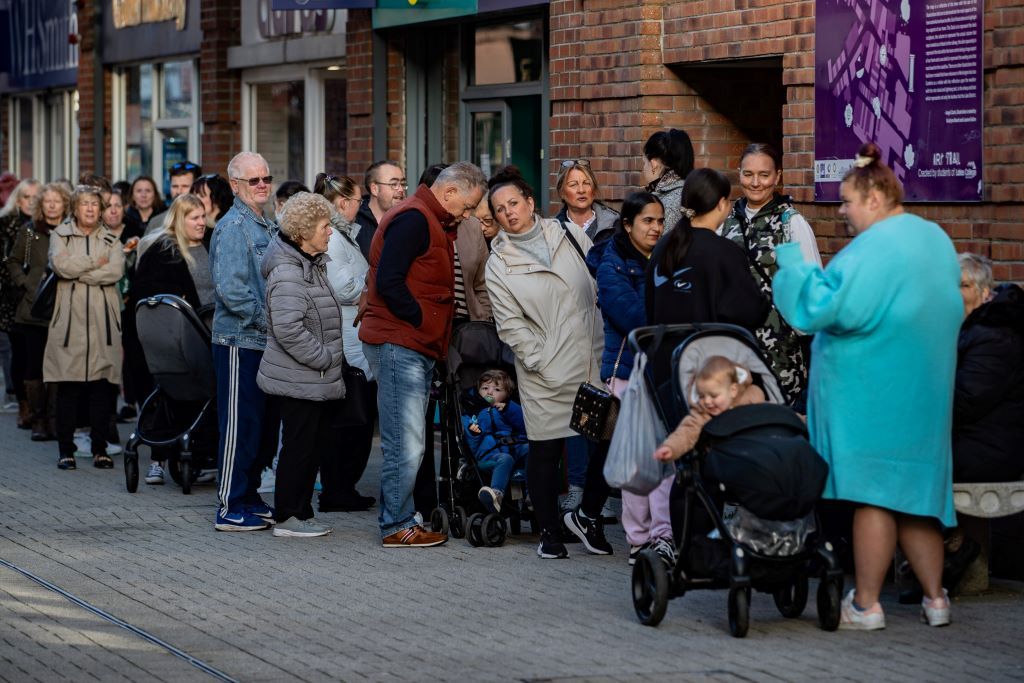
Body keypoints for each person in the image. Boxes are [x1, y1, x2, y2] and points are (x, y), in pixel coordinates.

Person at [772, 142, 961, 630]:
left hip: (874, 396)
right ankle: (937, 600)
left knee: (874, 498)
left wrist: (792, 264)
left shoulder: (874, 247)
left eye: (847, 201)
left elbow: (821, 309)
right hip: (925, 394)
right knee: (917, 500)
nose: (842, 211)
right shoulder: (934, 238)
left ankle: (867, 604)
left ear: (874, 198)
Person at [484, 166, 610, 560]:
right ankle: (550, 532)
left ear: (531, 202)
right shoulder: (499, 262)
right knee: (546, 451)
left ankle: (586, 514)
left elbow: (599, 279)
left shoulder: (566, 234)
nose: (509, 213)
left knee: (607, 442)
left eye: (514, 204)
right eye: (500, 209)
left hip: (592, 361)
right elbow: (509, 325)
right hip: (547, 372)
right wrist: (540, 360)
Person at [359, 161, 487, 548]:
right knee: (406, 440)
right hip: (402, 341)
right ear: (448, 193)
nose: (467, 216)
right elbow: (390, 280)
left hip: (409, 340)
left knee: (409, 438)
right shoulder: (415, 219)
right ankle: (396, 524)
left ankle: (402, 515)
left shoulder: (428, 219)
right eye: (467, 207)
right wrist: (418, 321)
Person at [585, 191, 671, 565]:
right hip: (627, 372)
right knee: (638, 460)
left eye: (660, 220)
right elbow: (634, 317)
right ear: (628, 224)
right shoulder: (612, 263)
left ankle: (663, 536)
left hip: (664, 369)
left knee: (665, 458)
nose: (655, 228)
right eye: (647, 221)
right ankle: (638, 540)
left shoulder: (667, 257)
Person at [256, 192, 344, 538]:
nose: (330, 233)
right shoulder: (289, 271)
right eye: (324, 226)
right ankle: (289, 516)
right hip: (301, 377)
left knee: (308, 448)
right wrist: (324, 358)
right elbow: (288, 329)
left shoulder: (310, 263)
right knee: (299, 447)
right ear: (304, 232)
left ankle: (301, 512)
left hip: (311, 377)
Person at [720, 143, 822, 406]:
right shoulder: (725, 220)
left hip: (781, 352)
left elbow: (811, 292)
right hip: (733, 348)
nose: (755, 182)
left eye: (764, 175)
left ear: (778, 176)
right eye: (748, 174)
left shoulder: (791, 223)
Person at [209, 151, 279, 532]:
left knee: (260, 426)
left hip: (264, 342)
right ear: (235, 185)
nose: (262, 185)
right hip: (239, 341)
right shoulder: (234, 226)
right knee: (239, 424)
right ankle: (229, 504)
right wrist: (272, 321)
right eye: (253, 180)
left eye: (266, 178)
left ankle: (249, 495)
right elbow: (231, 291)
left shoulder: (265, 224)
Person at [132, 194, 216, 486]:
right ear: (180, 220)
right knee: (171, 392)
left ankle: (204, 454)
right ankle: (159, 458)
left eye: (203, 216)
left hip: (212, 330)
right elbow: (148, 293)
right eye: (194, 218)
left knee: (208, 393)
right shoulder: (162, 251)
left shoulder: (212, 244)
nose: (201, 223)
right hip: (178, 335)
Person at [43, 185, 125, 470]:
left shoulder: (111, 238)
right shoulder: (60, 235)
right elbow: (61, 266)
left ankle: (100, 449)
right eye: (84, 204)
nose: (90, 209)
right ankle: (66, 450)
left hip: (103, 325)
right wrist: (93, 264)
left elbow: (115, 270)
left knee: (102, 389)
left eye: (94, 204)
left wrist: (83, 274)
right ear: (74, 208)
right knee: (69, 388)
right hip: (70, 325)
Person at [312, 172, 376, 512]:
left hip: (354, 334)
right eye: (357, 201)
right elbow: (343, 288)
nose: (360, 206)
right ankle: (337, 488)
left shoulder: (345, 237)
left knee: (356, 419)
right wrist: (370, 286)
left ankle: (342, 487)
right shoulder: (335, 239)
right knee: (351, 419)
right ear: (342, 203)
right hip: (348, 339)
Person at [645, 168, 769, 331]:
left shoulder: (662, 246)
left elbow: (650, 304)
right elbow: (749, 313)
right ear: (721, 204)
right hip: (709, 353)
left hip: (664, 351)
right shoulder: (727, 252)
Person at [953, 253, 1024, 483]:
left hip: (988, 453)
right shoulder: (974, 331)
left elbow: (963, 403)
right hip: (977, 443)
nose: (955, 294)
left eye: (964, 285)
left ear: (985, 293)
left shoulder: (994, 336)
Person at [6, 182, 65, 440]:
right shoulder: (29, 232)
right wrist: (26, 283)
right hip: (32, 309)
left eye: (57, 200)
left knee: (59, 367)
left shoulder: (69, 232)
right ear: (41, 204)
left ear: (65, 204)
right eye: (47, 201)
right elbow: (13, 261)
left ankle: (55, 419)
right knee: (34, 367)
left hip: (63, 309)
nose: (52, 205)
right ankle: (39, 419)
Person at [655, 356, 766, 462]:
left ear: (733, 390)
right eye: (701, 396)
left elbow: (770, 414)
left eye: (713, 396)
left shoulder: (752, 396)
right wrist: (671, 448)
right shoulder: (702, 413)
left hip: (757, 444)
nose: (707, 401)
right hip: (726, 455)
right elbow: (686, 432)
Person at [0, 178, 39, 425]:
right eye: (27, 197)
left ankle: (40, 408)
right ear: (18, 198)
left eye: (36, 197)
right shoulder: (6, 225)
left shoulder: (44, 225)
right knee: (18, 353)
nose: (31, 202)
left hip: (38, 298)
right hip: (12, 298)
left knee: (36, 353)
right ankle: (23, 405)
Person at [466, 369, 529, 514]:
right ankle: (497, 494)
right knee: (504, 459)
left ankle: (533, 494)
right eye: (485, 388)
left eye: (497, 389)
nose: (490, 392)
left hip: (515, 450)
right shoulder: (477, 414)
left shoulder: (512, 408)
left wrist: (508, 409)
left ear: (507, 393)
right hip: (490, 457)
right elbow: (471, 446)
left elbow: (524, 426)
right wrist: (473, 433)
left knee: (531, 449)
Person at [641, 129, 694, 232]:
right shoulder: (693, 190)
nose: (643, 168)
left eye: (644, 162)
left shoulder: (665, 205)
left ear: (653, 164)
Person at [554, 159, 619, 244]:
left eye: (587, 183)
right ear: (561, 192)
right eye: (573, 185)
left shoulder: (614, 225)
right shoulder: (553, 230)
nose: (581, 190)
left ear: (594, 189)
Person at [354, 161, 407, 259]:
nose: (401, 190)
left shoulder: (409, 220)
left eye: (403, 184)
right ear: (375, 189)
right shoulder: (354, 221)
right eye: (394, 184)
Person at [144, 161, 202, 236]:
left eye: (185, 186)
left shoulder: (204, 222)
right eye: (175, 186)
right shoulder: (157, 223)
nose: (178, 191)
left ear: (196, 188)